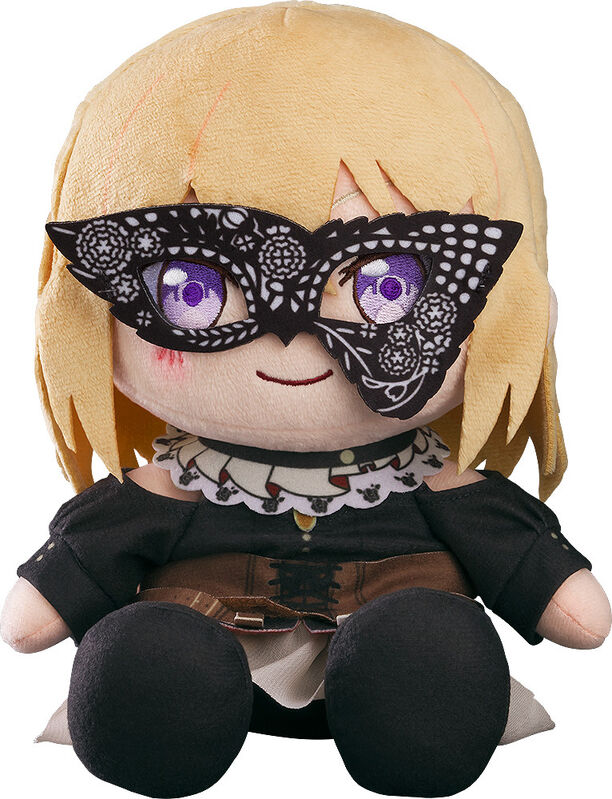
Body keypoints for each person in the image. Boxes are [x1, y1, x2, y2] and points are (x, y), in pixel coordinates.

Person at [1, 3, 610, 797]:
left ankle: (415, 692)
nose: (292, 336)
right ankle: (158, 697)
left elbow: (577, 614)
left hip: (403, 658)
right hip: (202, 651)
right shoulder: (176, 484)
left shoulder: (434, 484)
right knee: (153, 661)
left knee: (428, 650)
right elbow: (34, 618)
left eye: (388, 283)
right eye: (193, 284)